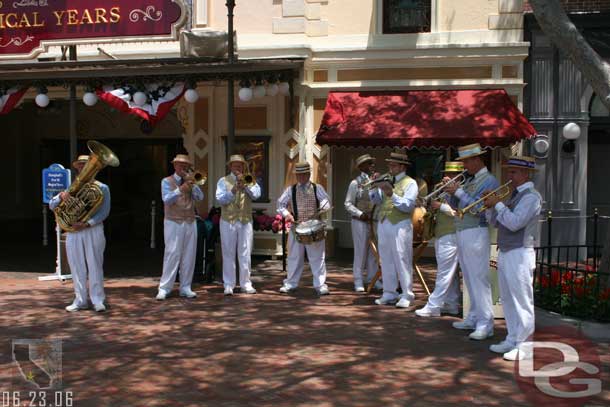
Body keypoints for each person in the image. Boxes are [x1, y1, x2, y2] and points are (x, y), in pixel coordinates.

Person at [484, 156, 541, 361]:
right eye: (509, 171)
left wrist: (498, 205)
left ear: (526, 174)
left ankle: (525, 346)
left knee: (522, 300)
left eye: (514, 172)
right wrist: (490, 206)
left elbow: (516, 223)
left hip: (521, 252)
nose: (510, 175)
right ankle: (512, 338)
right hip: (507, 250)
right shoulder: (514, 195)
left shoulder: (531, 197)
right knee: (507, 298)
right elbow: (498, 224)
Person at [444, 143, 499, 340]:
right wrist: (449, 192)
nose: (464, 166)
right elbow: (457, 206)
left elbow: (477, 207)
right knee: (468, 278)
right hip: (463, 231)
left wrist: (458, 191)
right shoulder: (470, 179)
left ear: (477, 159)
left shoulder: (489, 180)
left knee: (479, 278)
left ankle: (486, 323)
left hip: (476, 231)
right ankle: (474, 317)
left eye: (466, 161)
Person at [49, 155, 110, 312]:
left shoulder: (102, 188)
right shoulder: (70, 187)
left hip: (92, 229)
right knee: (76, 266)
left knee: (95, 264)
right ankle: (80, 300)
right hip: (73, 230)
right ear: (77, 168)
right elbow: (52, 205)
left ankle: (98, 299)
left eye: (87, 165)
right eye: (81, 166)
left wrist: (86, 223)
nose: (84, 168)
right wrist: (60, 197)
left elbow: (104, 211)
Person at [369, 151, 418, 308]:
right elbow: (376, 201)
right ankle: (389, 292)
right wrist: (373, 187)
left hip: (400, 224)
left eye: (393, 165)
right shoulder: (387, 180)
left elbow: (408, 206)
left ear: (402, 167)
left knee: (402, 259)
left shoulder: (410, 183)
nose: (390, 167)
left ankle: (407, 294)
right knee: (386, 259)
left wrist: (391, 194)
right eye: (389, 164)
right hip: (384, 222)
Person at [415, 161, 463, 317]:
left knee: (444, 272)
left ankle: (433, 305)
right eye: (446, 173)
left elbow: (460, 212)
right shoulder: (440, 188)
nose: (447, 177)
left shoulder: (463, 191)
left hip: (452, 233)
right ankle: (452, 304)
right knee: (452, 273)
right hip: (441, 232)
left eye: (452, 174)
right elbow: (432, 206)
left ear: (459, 176)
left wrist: (440, 206)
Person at [277, 162, 331, 295]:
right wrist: (287, 215)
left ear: (308, 174)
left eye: (304, 174)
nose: (301, 177)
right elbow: (280, 204)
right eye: (299, 174)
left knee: (317, 257)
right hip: (297, 226)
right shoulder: (291, 189)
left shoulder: (317, 187)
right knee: (294, 257)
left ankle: (320, 285)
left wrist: (323, 207)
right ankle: (291, 283)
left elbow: (325, 201)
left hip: (314, 226)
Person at [156, 154, 204, 300]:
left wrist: (193, 185)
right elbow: (167, 199)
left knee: (189, 255)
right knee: (172, 254)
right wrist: (181, 189)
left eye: (185, 165)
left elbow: (200, 198)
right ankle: (164, 288)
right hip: (173, 221)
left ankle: (186, 287)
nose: (183, 168)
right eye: (180, 165)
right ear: (174, 166)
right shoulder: (166, 181)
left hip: (189, 220)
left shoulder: (191, 181)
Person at [215, 154, 261, 295]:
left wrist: (246, 186)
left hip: (245, 220)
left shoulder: (250, 180)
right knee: (228, 252)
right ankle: (229, 284)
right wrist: (233, 190)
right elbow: (220, 200)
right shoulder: (223, 181)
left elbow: (257, 195)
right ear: (230, 166)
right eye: (235, 165)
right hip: (228, 220)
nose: (238, 167)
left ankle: (246, 283)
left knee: (245, 253)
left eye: (240, 165)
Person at [344, 154, 381, 292]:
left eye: (372, 163)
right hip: (360, 221)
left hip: (374, 221)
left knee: (374, 252)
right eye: (368, 163)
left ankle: (372, 279)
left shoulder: (376, 181)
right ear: (361, 167)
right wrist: (360, 214)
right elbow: (348, 204)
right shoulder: (355, 183)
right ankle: (358, 280)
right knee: (360, 251)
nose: (372, 166)